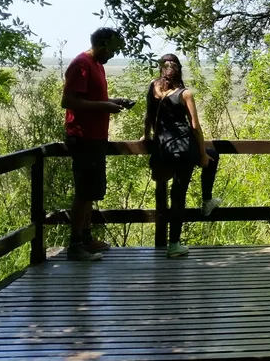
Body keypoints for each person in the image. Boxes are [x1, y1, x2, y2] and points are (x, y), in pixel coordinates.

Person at [61, 27, 133, 262]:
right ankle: (75, 246)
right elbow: (69, 100)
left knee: (91, 191)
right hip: (82, 138)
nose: (113, 54)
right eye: (113, 49)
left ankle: (86, 239)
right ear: (103, 45)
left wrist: (114, 101)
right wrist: (104, 107)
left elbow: (92, 99)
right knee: (83, 192)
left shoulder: (98, 66)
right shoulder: (81, 64)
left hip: (95, 138)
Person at [144, 54, 222, 258]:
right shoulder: (184, 94)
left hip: (163, 148)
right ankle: (175, 244)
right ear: (179, 71)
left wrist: (147, 139)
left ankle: (206, 203)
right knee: (179, 195)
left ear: (162, 71)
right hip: (183, 148)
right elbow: (195, 127)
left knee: (169, 194)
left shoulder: (154, 88)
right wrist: (202, 154)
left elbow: (149, 116)